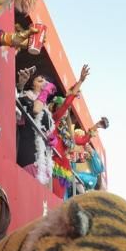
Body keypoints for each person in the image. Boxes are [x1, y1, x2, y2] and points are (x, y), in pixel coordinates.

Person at [49, 63, 90, 199]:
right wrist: (81, 81)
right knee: (51, 199)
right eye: (62, 109)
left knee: (59, 201)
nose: (66, 112)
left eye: (67, 111)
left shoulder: (67, 132)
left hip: (65, 169)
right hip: (52, 165)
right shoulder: (54, 120)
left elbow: (83, 140)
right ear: (56, 108)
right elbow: (67, 104)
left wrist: (96, 127)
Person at [16, 73, 56, 184]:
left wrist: (51, 138)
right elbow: (35, 110)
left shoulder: (46, 108)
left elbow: (46, 128)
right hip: (29, 154)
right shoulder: (26, 96)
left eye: (45, 79)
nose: (43, 79)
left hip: (44, 159)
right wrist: (45, 91)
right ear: (32, 84)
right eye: (39, 79)